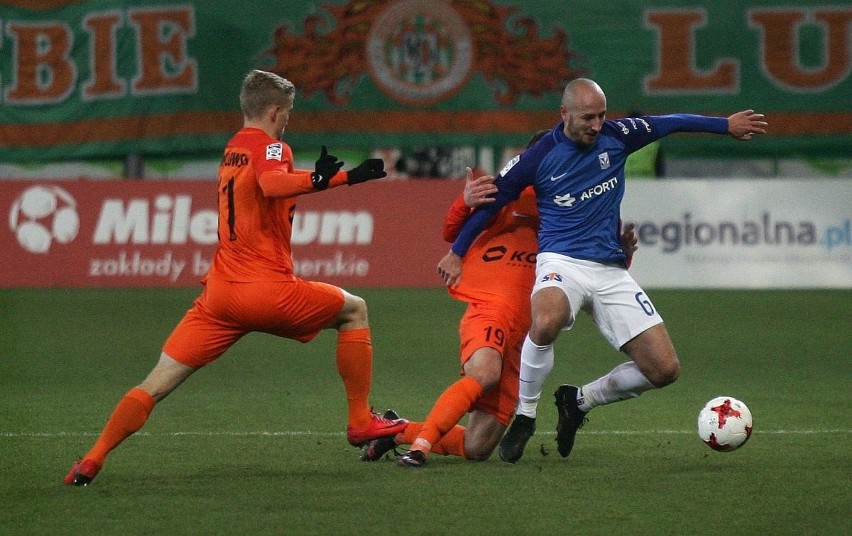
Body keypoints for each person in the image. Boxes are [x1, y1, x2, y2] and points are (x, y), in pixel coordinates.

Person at [64, 69, 408, 486]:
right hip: (266, 290)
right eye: (288, 113)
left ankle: (91, 460)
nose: (288, 121)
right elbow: (273, 183)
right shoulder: (273, 147)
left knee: (155, 383)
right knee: (354, 310)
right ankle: (360, 421)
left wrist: (330, 179)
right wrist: (329, 178)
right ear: (275, 111)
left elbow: (270, 185)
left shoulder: (234, 149)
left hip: (220, 297)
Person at [437, 78, 767, 463]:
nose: (596, 125)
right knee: (545, 321)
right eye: (587, 118)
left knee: (664, 370)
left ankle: (579, 401)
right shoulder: (538, 157)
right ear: (564, 114)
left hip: (609, 270)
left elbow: (671, 121)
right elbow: (492, 204)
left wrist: (724, 125)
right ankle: (525, 417)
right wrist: (458, 251)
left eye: (601, 115)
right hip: (561, 261)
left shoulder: (619, 135)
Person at [362, 131, 637, 468]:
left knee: (478, 447)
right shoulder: (513, 193)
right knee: (484, 372)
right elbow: (452, 231)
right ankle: (419, 448)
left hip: (528, 337)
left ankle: (396, 429)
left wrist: (623, 254)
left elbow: (599, 271)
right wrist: (465, 201)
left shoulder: (587, 203)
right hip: (492, 307)